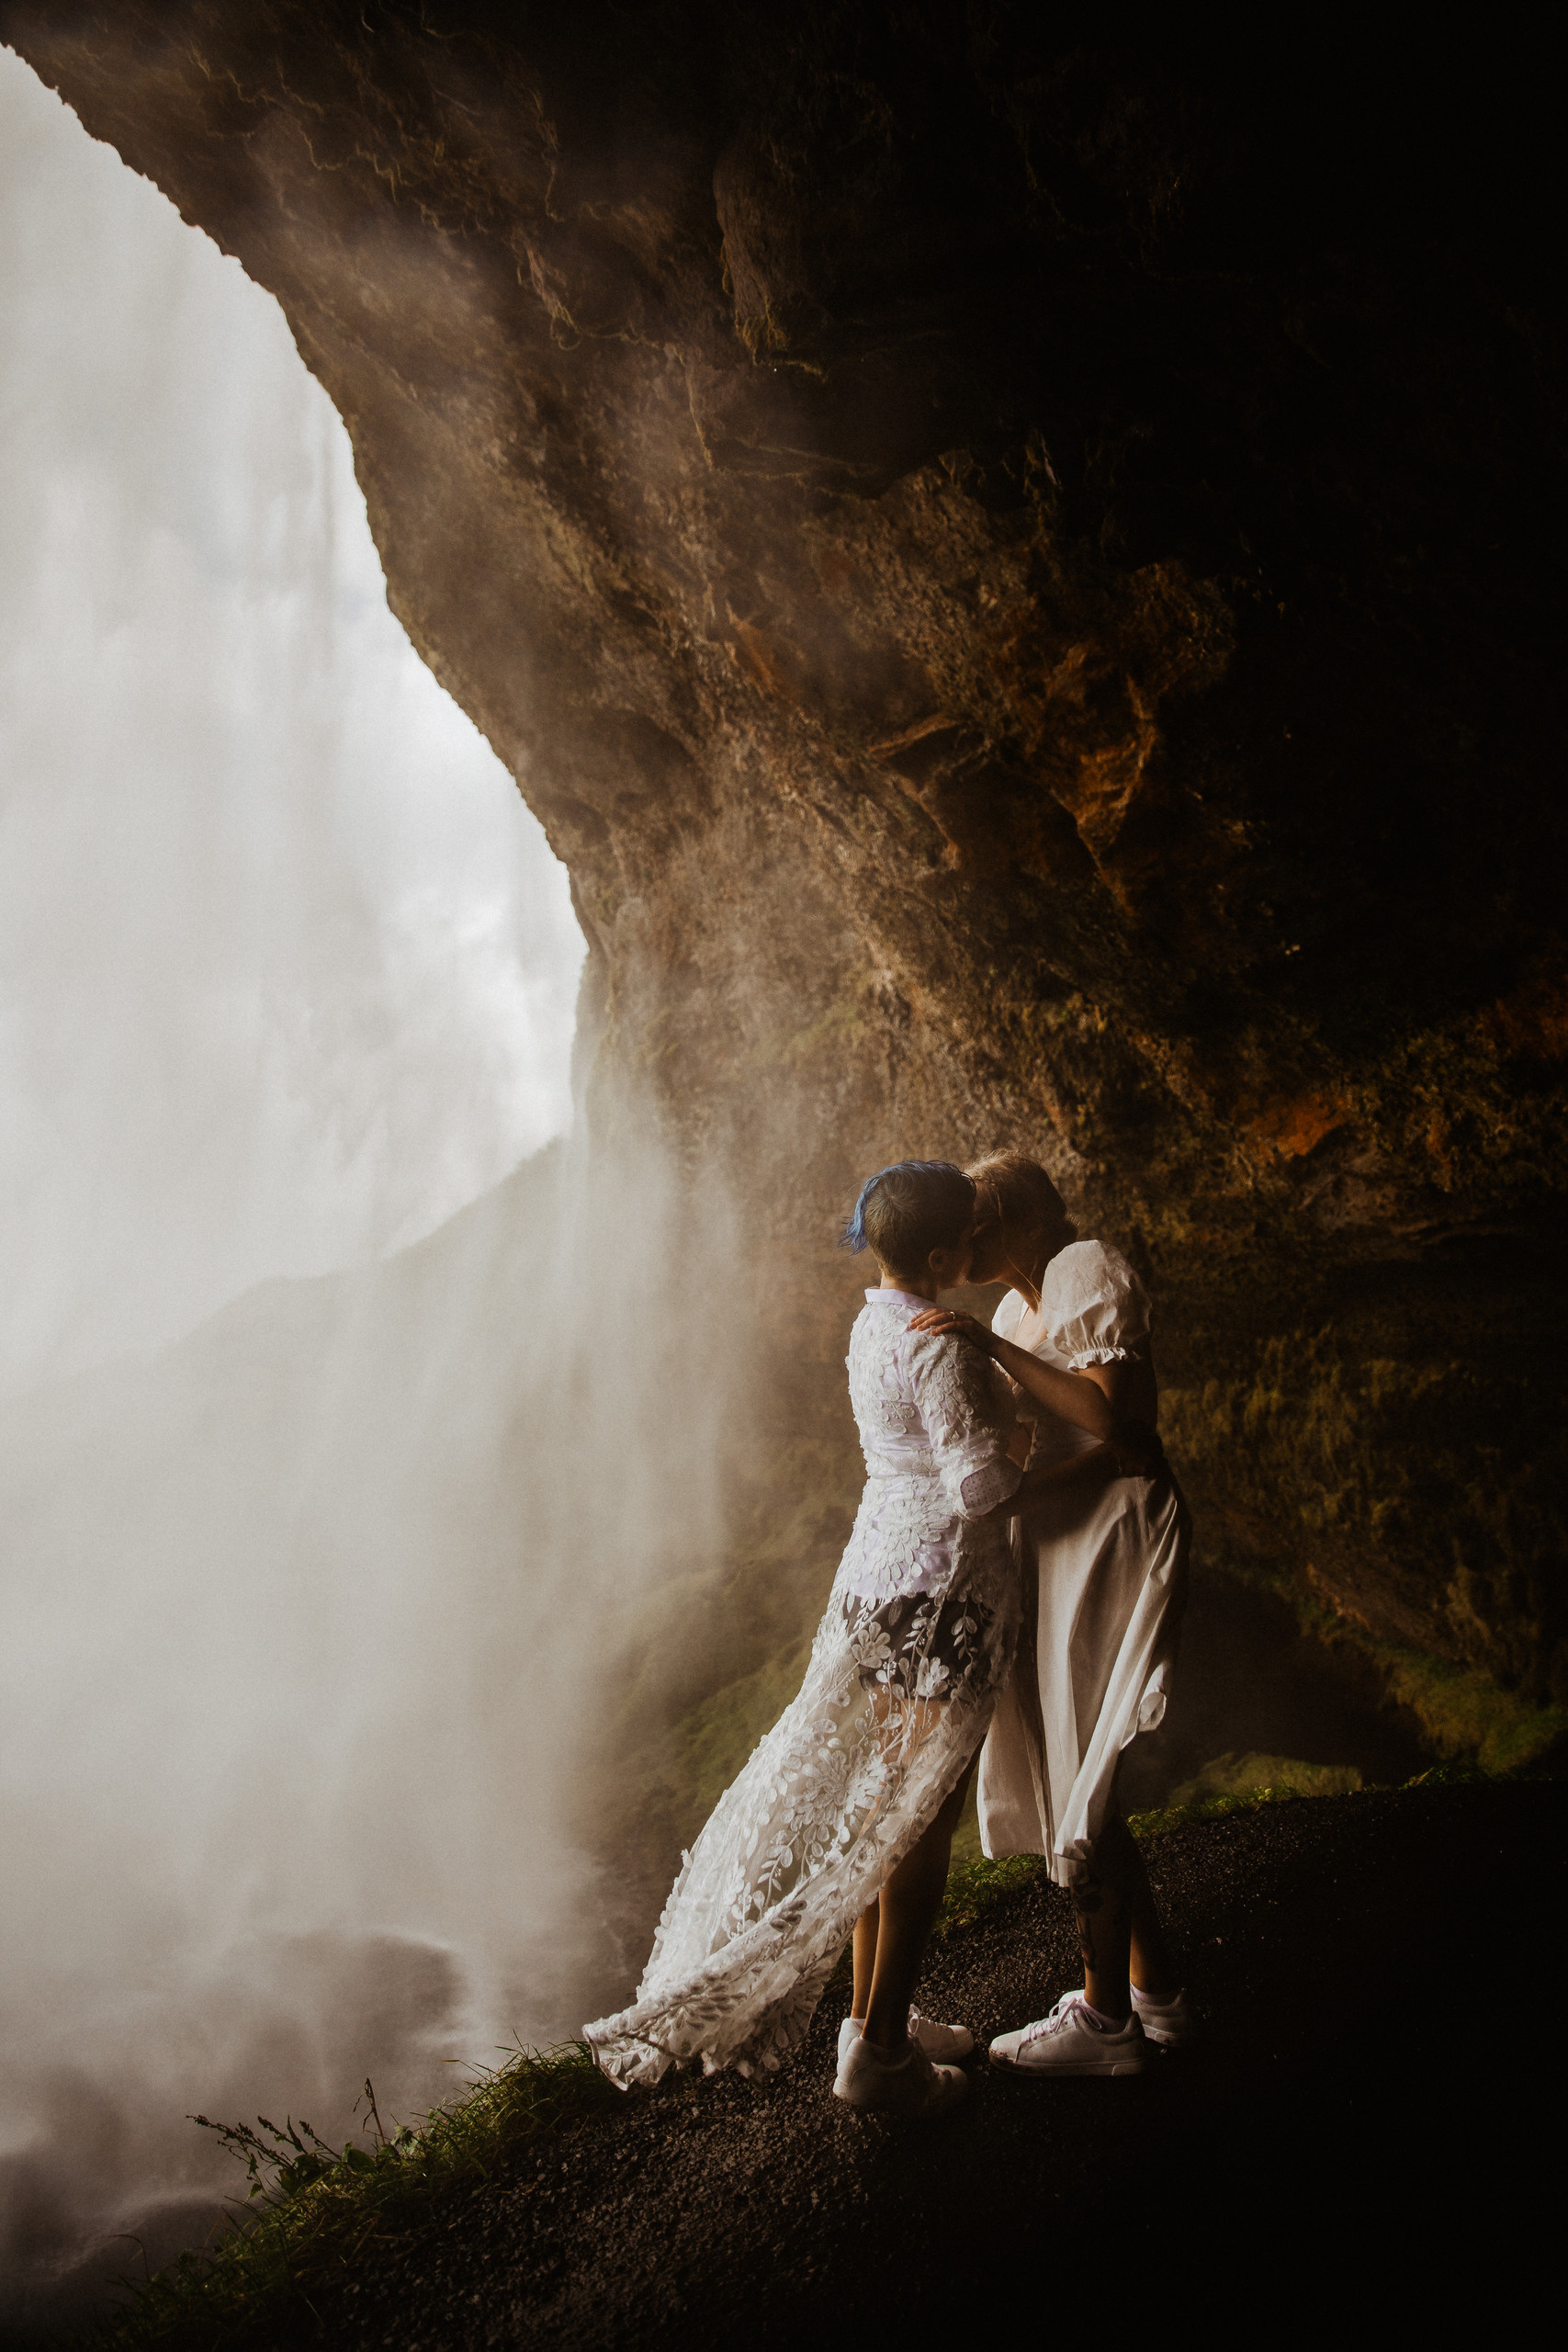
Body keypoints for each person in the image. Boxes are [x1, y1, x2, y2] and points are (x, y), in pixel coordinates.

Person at [584, 1159, 1139, 2116]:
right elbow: (978, 1491)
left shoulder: (872, 1320)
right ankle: (881, 2054)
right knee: (917, 1821)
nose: (981, 1246)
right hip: (941, 1602)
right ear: (938, 1255)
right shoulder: (944, 1346)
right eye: (969, 1234)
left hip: (873, 1584)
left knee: (883, 1804)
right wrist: (1049, 1459)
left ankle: (872, 2018)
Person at [911, 1150, 1192, 2076]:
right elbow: (1050, 1439)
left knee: (1085, 1763)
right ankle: (1157, 1995)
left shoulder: (1084, 1267)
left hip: (1112, 1535)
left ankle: (1107, 2020)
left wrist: (995, 1355)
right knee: (1079, 1770)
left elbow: (1116, 1426)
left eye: (980, 1226)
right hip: (1066, 1531)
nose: (966, 1243)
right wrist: (997, 1487)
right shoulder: (1013, 1304)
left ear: (1024, 1219)